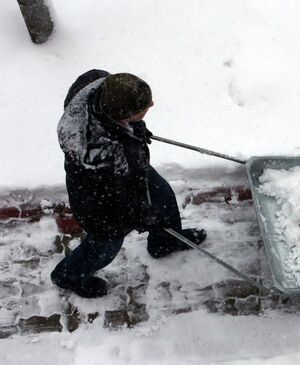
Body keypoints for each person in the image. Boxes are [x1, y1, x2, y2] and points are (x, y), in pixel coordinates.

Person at [52, 70, 207, 298]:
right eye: (144, 107)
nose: (152, 104)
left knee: (162, 194)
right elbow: (114, 200)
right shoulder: (96, 154)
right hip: (98, 202)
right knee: (106, 246)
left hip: (123, 168)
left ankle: (164, 242)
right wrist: (140, 216)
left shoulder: (100, 86)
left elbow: (102, 91)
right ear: (123, 114)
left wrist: (131, 128)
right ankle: (68, 276)